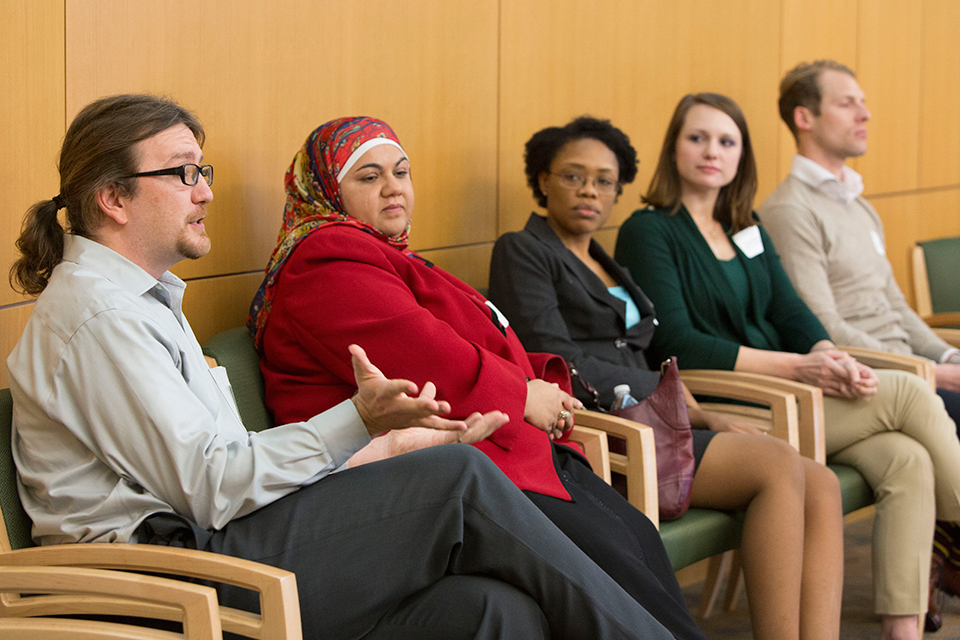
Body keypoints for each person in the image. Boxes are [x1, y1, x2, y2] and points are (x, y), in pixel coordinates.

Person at [5, 94, 686, 640]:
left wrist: (389, 443)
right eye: (183, 173)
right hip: (160, 580)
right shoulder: (100, 315)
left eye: (203, 172)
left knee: (495, 610)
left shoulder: (138, 299)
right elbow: (211, 486)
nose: (204, 192)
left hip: (213, 544)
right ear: (113, 198)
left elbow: (223, 464)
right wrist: (357, 420)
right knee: (458, 481)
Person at [251, 116, 708, 640]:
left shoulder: (386, 254)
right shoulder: (324, 258)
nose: (393, 187)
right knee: (617, 578)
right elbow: (424, 359)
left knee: (635, 543)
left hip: (500, 451)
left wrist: (542, 387)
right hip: (428, 478)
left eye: (401, 171)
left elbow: (474, 340)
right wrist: (523, 396)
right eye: (369, 177)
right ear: (326, 190)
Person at [614, 92, 960, 640]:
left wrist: (825, 352)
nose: (712, 151)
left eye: (726, 141)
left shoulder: (743, 224)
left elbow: (789, 308)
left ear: (742, 155)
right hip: (735, 399)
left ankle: (904, 631)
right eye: (697, 138)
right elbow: (676, 342)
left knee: (906, 459)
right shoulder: (649, 230)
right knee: (911, 394)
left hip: (793, 389)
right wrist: (800, 368)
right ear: (673, 148)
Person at [488, 115, 844, 640]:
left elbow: (650, 349)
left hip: (654, 422)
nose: (589, 190)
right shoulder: (524, 250)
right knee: (775, 464)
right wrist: (687, 406)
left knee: (822, 483)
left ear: (617, 191)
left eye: (604, 181)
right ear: (543, 180)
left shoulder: (606, 261)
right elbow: (557, 359)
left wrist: (693, 407)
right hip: (603, 430)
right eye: (573, 176)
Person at [756, 61, 960, 628]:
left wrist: (948, 357)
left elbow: (898, 306)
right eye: (847, 103)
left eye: (862, 102)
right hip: (863, 376)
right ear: (804, 117)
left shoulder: (859, 204)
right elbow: (821, 327)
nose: (865, 113)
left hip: (905, 369)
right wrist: (931, 374)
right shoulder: (790, 210)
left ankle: (940, 561)